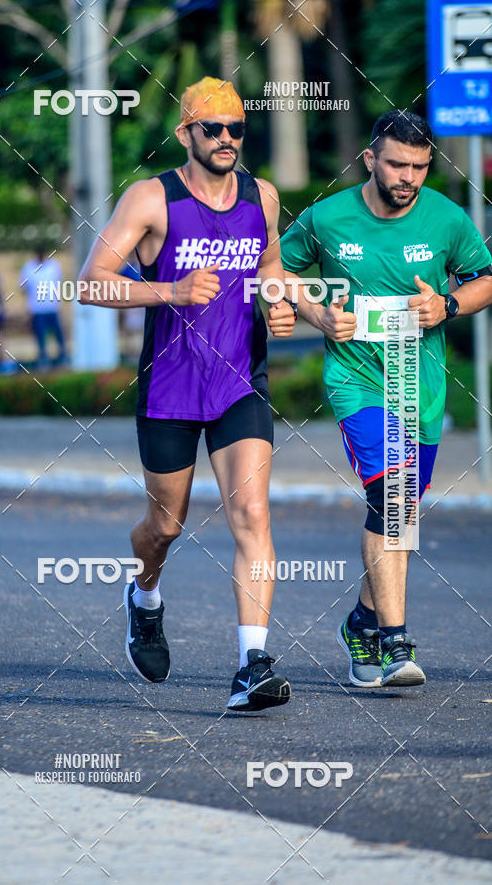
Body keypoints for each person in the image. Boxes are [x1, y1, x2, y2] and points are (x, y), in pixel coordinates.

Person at [78, 76, 297, 712]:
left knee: (252, 515)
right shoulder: (152, 199)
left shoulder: (263, 196)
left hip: (239, 382)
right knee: (164, 526)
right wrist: (169, 291)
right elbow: (91, 283)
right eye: (214, 129)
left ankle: (252, 664)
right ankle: (144, 596)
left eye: (236, 128)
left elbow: (271, 266)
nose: (227, 139)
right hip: (170, 387)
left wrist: (279, 301)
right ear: (186, 134)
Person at [281, 110, 492, 688]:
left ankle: (361, 625)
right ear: (371, 159)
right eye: (398, 164)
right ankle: (397, 644)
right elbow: (276, 272)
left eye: (420, 167)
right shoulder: (328, 216)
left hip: (417, 385)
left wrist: (447, 305)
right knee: (393, 500)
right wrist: (315, 312)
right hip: (358, 382)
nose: (409, 178)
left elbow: (485, 278)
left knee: (397, 514)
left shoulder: (446, 219)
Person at [20, 247, 66, 366]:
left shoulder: (54, 266)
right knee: (41, 338)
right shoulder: (28, 268)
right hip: (37, 309)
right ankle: (43, 360)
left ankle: (62, 358)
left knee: (59, 336)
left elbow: (59, 284)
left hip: (52, 307)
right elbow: (24, 289)